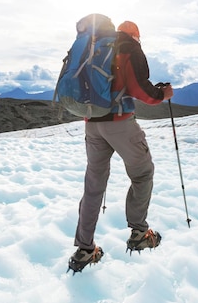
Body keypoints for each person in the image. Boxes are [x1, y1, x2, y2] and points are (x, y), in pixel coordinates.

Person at [68, 20, 174, 273]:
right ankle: (139, 233)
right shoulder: (128, 47)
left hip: (92, 124)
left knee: (93, 186)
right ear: (136, 35)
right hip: (120, 124)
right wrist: (164, 94)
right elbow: (141, 90)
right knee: (142, 173)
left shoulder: (92, 49)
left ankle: (85, 250)